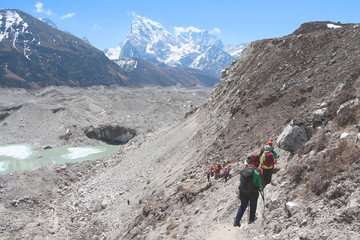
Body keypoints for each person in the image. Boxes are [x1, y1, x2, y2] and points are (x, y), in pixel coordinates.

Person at [234, 154, 264, 227]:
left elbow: (241, 180)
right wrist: (260, 187)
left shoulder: (245, 169)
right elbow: (261, 184)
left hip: (243, 191)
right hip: (253, 192)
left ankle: (237, 221)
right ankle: (251, 219)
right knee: (253, 205)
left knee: (243, 206)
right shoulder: (257, 171)